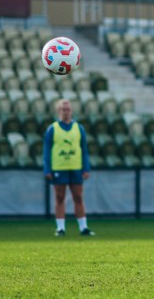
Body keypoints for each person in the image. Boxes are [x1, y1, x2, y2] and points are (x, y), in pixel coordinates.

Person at [42, 98, 94, 237]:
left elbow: (84, 149)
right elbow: (47, 150)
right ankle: (60, 228)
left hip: (75, 167)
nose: (66, 112)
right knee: (60, 197)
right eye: (63, 109)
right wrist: (47, 169)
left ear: (71, 111)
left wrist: (86, 168)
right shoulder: (52, 129)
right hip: (59, 167)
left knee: (78, 197)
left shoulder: (79, 128)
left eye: (68, 109)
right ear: (58, 111)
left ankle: (83, 227)